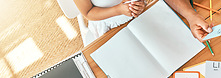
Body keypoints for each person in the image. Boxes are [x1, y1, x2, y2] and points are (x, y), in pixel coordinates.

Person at [74, 0, 212, 41]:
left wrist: (191, 15)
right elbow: (88, 12)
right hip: (109, 22)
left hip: (145, 12)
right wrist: (118, 10)